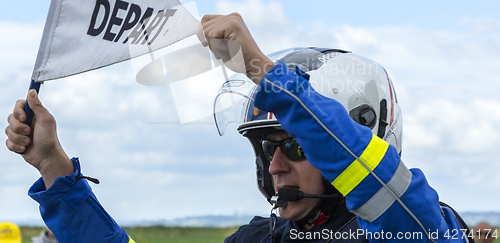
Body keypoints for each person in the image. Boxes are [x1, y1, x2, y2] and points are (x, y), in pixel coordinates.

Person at [5, 13, 472, 243]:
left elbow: (384, 188)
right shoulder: (258, 240)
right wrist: (54, 169)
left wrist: (265, 74)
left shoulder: (415, 229)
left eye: (294, 145)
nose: (275, 165)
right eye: (267, 148)